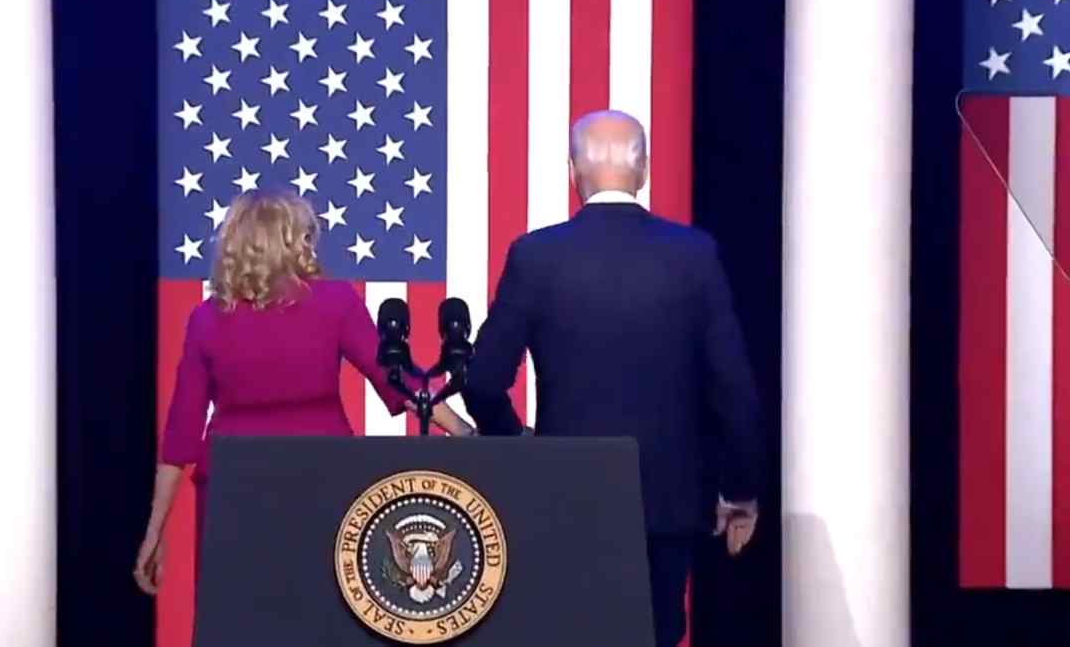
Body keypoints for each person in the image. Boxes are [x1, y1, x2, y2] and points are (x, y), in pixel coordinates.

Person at [461, 111, 762, 646]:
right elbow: (732, 387)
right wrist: (740, 490)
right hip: (669, 501)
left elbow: (483, 381)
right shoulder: (693, 255)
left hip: (565, 492)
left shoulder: (536, 255)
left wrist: (520, 453)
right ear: (642, 169)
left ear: (573, 170)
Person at [133, 191, 473, 595]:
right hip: (324, 477)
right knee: (323, 613)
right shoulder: (336, 302)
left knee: (237, 616)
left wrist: (155, 530)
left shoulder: (206, 319)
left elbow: (181, 433)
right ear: (297, 241)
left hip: (233, 488)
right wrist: (468, 434)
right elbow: (397, 379)